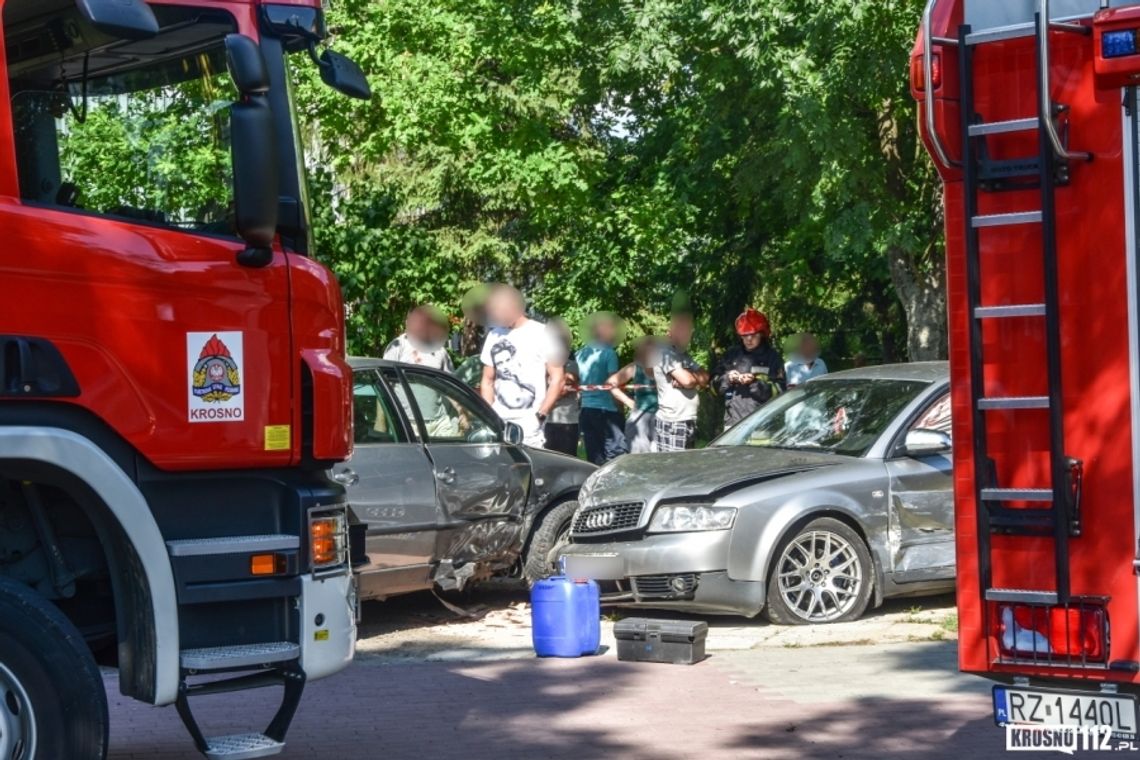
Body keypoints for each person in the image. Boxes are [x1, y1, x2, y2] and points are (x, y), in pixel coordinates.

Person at [479, 285, 565, 447]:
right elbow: (487, 380)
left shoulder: (543, 333)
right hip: (498, 421)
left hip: (529, 422)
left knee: (528, 469)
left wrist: (540, 415)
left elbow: (557, 379)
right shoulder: (493, 335)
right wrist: (490, 415)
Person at [712, 308, 787, 430]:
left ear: (762, 334)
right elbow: (712, 388)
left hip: (762, 426)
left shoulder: (772, 357)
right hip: (732, 427)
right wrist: (727, 378)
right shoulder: (731, 355)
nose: (748, 339)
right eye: (745, 335)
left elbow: (781, 391)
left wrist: (754, 384)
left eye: (753, 335)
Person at [576, 312, 629, 465]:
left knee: (594, 455)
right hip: (607, 410)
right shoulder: (609, 353)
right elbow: (613, 382)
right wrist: (620, 408)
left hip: (586, 410)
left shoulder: (581, 353)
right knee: (616, 453)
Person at [651, 312, 708, 452]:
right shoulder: (664, 353)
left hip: (687, 419)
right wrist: (693, 379)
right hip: (673, 422)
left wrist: (688, 376)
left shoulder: (683, 355)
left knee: (686, 469)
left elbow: (705, 377)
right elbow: (688, 381)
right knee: (673, 469)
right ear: (670, 332)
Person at [608, 337, 659, 454]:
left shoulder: (664, 366)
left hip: (662, 416)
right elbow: (610, 383)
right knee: (638, 459)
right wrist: (628, 401)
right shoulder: (634, 367)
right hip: (639, 417)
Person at [544, 319, 581, 457]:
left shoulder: (572, 365)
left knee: (567, 459)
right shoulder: (543, 366)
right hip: (547, 420)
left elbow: (568, 382)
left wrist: (552, 389)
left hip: (568, 421)